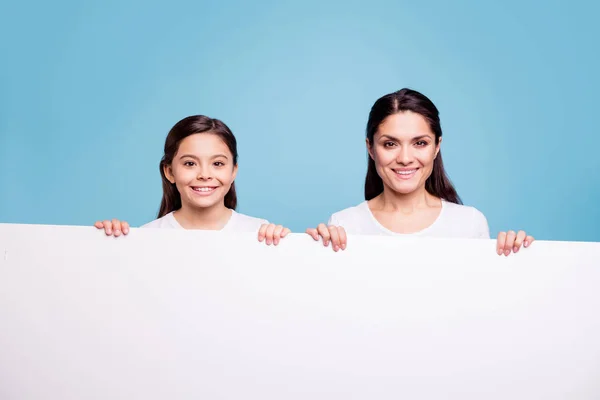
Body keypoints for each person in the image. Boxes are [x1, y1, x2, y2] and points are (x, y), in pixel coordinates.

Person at [306, 88, 534, 255]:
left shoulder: (469, 223)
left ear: (437, 147)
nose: (405, 159)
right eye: (390, 144)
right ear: (371, 148)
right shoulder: (345, 224)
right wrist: (280, 243)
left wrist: (514, 258)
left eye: (420, 143)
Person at [95, 115, 289, 246]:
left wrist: (315, 244)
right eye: (189, 163)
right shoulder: (148, 237)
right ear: (169, 172)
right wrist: (108, 244)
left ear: (233, 171)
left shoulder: (260, 233)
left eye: (218, 163)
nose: (204, 174)